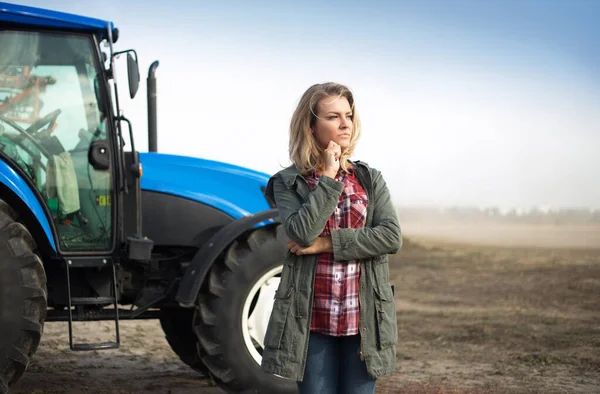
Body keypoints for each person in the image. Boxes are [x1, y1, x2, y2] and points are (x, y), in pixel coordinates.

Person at [261, 82, 402, 394]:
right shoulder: (289, 182)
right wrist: (327, 176)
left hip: (363, 318)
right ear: (311, 125)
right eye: (333, 116)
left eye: (348, 115)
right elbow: (301, 232)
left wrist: (327, 244)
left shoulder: (369, 178)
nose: (345, 123)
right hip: (312, 320)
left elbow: (391, 237)